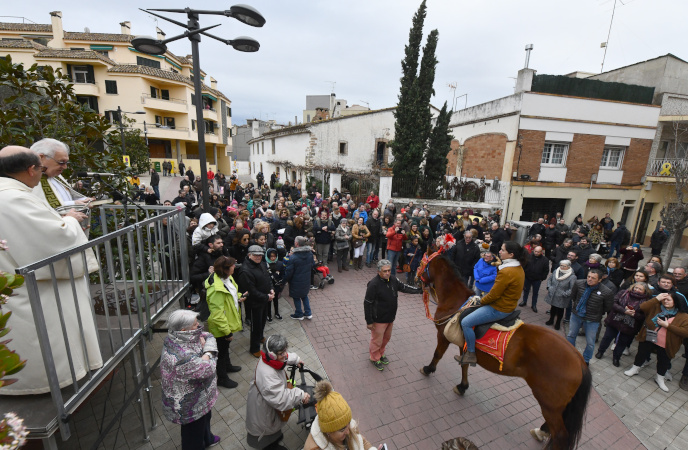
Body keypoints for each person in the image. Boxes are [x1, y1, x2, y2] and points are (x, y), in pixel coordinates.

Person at [0, 146, 102, 395]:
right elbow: (54, 237)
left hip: (12, 285)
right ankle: (46, 385)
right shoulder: (15, 198)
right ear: (32, 169)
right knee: (44, 338)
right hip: (32, 289)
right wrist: (69, 220)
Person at [457, 241, 527, 366]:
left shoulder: (506, 272)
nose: (499, 252)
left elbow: (494, 295)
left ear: (511, 254)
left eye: (502, 250)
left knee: (465, 322)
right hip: (509, 305)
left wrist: (480, 300)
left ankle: (471, 354)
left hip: (499, 308)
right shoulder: (518, 267)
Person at [160, 310, 221, 449]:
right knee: (192, 437)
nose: (198, 325)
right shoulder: (182, 356)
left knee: (205, 419)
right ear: (183, 330)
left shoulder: (176, 337)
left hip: (200, 396)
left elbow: (209, 335)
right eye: (194, 324)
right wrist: (208, 353)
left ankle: (207, 439)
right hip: (189, 405)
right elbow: (209, 367)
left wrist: (205, 354)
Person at [246, 334, 310, 450]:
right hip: (263, 418)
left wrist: (296, 359)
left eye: (285, 351)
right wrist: (300, 394)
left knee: (273, 432)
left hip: (265, 406)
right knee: (268, 442)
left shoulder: (269, 358)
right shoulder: (267, 376)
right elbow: (281, 399)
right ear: (272, 355)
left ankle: (274, 439)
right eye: (281, 353)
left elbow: (284, 357)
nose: (285, 355)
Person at [624, 291, 688, 392]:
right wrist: (656, 298)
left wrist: (668, 326)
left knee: (664, 361)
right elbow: (642, 307)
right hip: (649, 336)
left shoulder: (683, 316)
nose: (665, 301)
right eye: (664, 299)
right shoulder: (656, 306)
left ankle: (660, 378)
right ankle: (635, 368)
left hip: (666, 343)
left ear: (675, 302)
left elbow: (685, 332)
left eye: (668, 300)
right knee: (641, 353)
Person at [364, 260, 421, 371]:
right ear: (379, 272)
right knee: (377, 340)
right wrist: (369, 321)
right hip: (378, 319)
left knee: (386, 338)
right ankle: (374, 358)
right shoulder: (373, 284)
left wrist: (419, 291)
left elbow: (404, 287)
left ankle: (381, 353)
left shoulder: (393, 279)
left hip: (390, 317)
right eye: (385, 271)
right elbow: (367, 303)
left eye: (389, 270)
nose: (388, 273)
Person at [205, 256, 246, 389]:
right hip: (220, 328)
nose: (235, 267)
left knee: (225, 348)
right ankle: (222, 378)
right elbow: (217, 315)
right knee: (221, 353)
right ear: (225, 269)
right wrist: (227, 332)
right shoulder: (215, 289)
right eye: (232, 265)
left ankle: (227, 367)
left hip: (226, 323)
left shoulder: (227, 278)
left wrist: (239, 297)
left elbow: (231, 294)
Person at [304, 380, 381, 450]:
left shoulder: (347, 426)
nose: (348, 432)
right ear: (328, 431)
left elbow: (362, 441)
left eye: (349, 423)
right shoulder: (314, 448)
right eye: (342, 429)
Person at [30, 138, 94, 214]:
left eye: (66, 163)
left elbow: (65, 198)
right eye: (61, 162)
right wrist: (74, 204)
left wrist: (84, 200)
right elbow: (42, 209)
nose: (65, 167)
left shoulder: (55, 175)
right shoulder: (30, 179)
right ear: (41, 158)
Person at [595, 282, 651, 367]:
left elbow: (644, 316)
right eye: (636, 288)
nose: (637, 290)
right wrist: (624, 310)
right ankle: (600, 351)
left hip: (630, 325)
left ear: (645, 291)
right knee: (607, 337)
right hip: (614, 320)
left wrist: (634, 314)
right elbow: (613, 303)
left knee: (622, 342)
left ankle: (616, 358)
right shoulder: (623, 293)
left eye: (640, 289)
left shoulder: (646, 301)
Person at [566, 269, 614, 365]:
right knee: (571, 335)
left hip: (592, 320)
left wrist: (595, 312)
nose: (589, 279)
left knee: (590, 342)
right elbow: (573, 297)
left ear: (600, 280)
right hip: (576, 315)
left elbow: (607, 307)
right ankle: (569, 355)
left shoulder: (607, 292)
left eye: (593, 278)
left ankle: (586, 360)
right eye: (588, 277)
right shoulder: (579, 283)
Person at [240, 245, 275, 357]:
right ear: (249, 255)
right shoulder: (245, 270)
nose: (258, 257)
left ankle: (260, 337)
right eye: (255, 255)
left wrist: (271, 289)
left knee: (263, 320)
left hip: (264, 299)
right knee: (256, 325)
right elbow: (251, 290)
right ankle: (254, 348)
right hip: (254, 303)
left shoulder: (262, 264)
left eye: (260, 255)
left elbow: (268, 278)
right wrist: (267, 297)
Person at [285, 236, 315, 320]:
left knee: (296, 297)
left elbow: (289, 272)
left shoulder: (293, 257)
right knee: (304, 296)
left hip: (296, 281)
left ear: (296, 243)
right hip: (306, 280)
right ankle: (308, 313)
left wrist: (284, 281)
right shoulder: (310, 253)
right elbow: (313, 265)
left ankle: (299, 314)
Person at [544, 260, 576, 330]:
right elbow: (550, 279)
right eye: (561, 265)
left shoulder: (572, 276)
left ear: (568, 267)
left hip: (562, 297)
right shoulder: (556, 271)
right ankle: (551, 320)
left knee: (560, 310)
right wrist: (549, 287)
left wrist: (564, 294)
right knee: (553, 308)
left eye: (564, 266)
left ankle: (558, 323)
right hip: (553, 294)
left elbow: (572, 288)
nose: (562, 267)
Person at [519, 246, 549, 312]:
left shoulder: (545, 260)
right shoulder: (529, 257)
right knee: (526, 290)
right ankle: (524, 301)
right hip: (527, 277)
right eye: (535, 251)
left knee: (535, 293)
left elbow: (546, 270)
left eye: (538, 252)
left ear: (541, 252)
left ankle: (534, 305)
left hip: (537, 279)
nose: (536, 253)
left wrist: (542, 278)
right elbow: (524, 266)